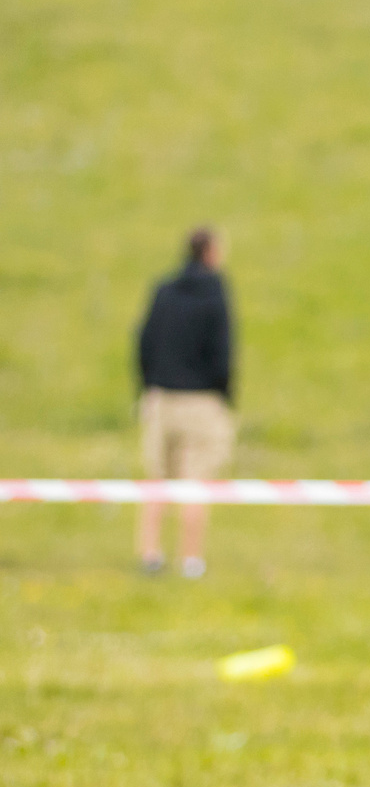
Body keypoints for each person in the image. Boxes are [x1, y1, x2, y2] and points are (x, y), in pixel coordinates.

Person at [134, 226, 235, 578]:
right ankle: (191, 560)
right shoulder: (216, 293)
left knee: (157, 479)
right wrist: (224, 394)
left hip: (162, 397)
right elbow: (223, 352)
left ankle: (150, 554)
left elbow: (144, 342)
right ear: (209, 253)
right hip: (201, 402)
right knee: (196, 482)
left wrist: (148, 387)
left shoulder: (163, 291)